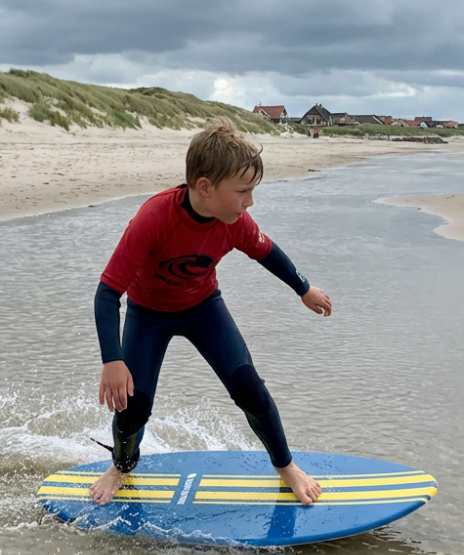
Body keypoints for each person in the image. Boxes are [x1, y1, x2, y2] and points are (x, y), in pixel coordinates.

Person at [90, 117, 332, 506]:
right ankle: (120, 466)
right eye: (243, 192)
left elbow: (266, 252)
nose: (249, 202)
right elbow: (107, 293)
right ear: (205, 187)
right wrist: (112, 360)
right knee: (135, 406)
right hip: (148, 314)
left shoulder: (233, 221)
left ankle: (286, 467)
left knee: (249, 389)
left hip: (203, 307)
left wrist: (303, 289)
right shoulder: (154, 219)